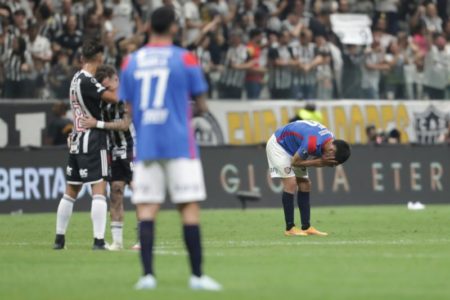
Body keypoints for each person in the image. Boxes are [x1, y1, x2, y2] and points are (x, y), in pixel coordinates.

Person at [119, 7, 222, 290]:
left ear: (149, 26)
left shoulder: (131, 61)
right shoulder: (185, 59)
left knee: (148, 209)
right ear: (175, 28)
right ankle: (198, 277)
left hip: (148, 143)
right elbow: (201, 106)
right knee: (188, 208)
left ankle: (147, 276)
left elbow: (128, 108)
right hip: (179, 143)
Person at [53, 39, 119, 250]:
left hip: (76, 138)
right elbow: (112, 98)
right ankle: (98, 240)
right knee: (99, 189)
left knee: (71, 190)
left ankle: (59, 239)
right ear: (99, 57)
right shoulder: (88, 81)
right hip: (92, 139)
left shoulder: (75, 79)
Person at [79, 64, 136, 251]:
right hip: (113, 150)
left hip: (131, 148)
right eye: (104, 88)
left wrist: (98, 124)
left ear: (116, 80)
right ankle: (117, 242)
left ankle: (144, 237)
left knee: (139, 191)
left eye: (109, 87)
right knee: (116, 193)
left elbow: (125, 124)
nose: (107, 91)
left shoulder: (125, 97)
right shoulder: (102, 98)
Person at [266, 120, 351, 236]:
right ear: (331, 151)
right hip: (278, 145)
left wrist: (321, 161)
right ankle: (290, 228)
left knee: (305, 184)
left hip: (294, 149)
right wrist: (320, 161)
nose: (331, 164)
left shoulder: (332, 141)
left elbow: (310, 159)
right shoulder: (312, 142)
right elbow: (295, 162)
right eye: (332, 161)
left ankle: (306, 227)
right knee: (291, 183)